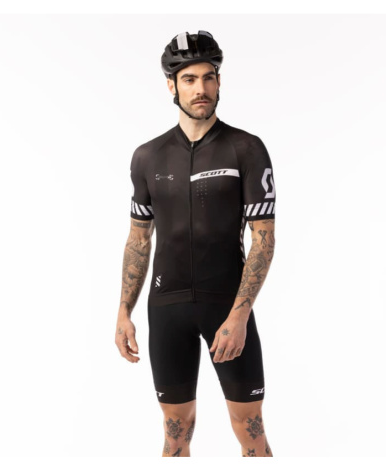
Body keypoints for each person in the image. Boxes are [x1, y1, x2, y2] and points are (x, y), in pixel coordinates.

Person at [115, 30, 276, 457]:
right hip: (166, 308)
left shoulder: (246, 148)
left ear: (219, 82)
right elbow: (138, 239)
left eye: (208, 77)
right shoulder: (147, 157)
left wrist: (240, 315)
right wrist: (124, 311)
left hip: (226, 305)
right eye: (189, 79)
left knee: (251, 431)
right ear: (172, 86)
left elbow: (263, 239)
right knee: (175, 435)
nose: (200, 88)